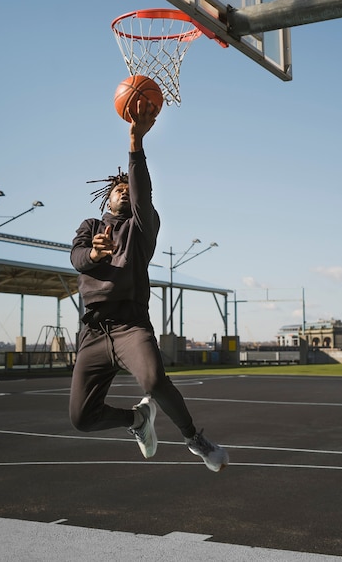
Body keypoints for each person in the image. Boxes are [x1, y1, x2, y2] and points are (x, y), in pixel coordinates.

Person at [69, 99, 228, 472]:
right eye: (118, 186)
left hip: (129, 325)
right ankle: (137, 422)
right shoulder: (91, 227)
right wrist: (94, 255)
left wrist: (135, 145)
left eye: (128, 185)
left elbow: (143, 194)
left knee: (154, 381)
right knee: (82, 418)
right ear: (106, 195)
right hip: (93, 330)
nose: (124, 189)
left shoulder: (143, 227)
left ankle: (195, 440)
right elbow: (76, 259)